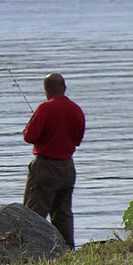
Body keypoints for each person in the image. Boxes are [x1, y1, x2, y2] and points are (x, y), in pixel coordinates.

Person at [23, 73, 85, 249]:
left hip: (45, 167)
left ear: (47, 90)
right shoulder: (76, 110)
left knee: (32, 214)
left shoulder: (45, 108)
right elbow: (77, 140)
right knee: (63, 214)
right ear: (64, 88)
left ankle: (28, 252)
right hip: (68, 167)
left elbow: (30, 136)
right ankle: (67, 251)